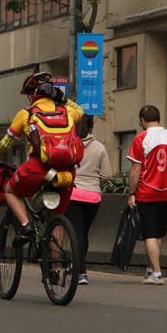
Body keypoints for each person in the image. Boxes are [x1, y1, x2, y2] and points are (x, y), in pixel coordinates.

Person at [0, 72, 85, 241]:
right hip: (67, 172)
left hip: (38, 169)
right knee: (57, 219)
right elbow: (81, 111)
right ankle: (55, 266)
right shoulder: (67, 111)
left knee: (10, 191)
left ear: (32, 95)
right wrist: (63, 99)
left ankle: (26, 226)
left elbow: (7, 142)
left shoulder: (26, 113)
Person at [127, 104, 167, 285]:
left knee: (150, 234)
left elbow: (135, 170)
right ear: (158, 118)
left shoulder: (141, 138)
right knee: (159, 233)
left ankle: (157, 274)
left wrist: (131, 193)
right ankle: (151, 268)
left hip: (147, 191)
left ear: (142, 121)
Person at [66, 115, 112, 285]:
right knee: (83, 233)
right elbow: (107, 175)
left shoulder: (69, 145)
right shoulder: (99, 147)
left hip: (73, 193)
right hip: (93, 197)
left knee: (76, 233)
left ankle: (80, 272)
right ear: (91, 127)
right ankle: (78, 267)